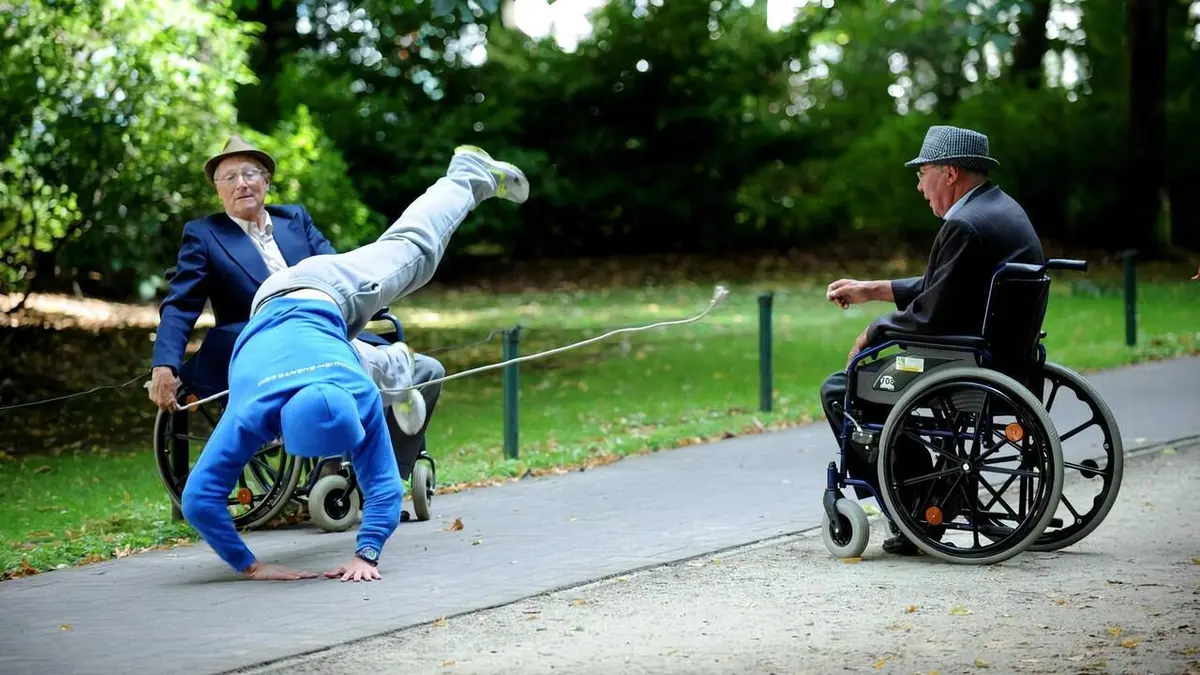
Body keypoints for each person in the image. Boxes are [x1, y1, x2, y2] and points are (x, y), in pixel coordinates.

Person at [180, 145, 528, 582]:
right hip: (298, 298)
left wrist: (366, 555)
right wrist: (251, 566)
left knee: (411, 259)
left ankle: (393, 365)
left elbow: (381, 486)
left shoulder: (357, 393)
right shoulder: (255, 408)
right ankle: (397, 365)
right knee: (408, 267)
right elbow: (198, 500)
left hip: (321, 309)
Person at [149, 134, 443, 476]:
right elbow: (181, 303)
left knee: (427, 371)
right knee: (336, 377)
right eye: (229, 177)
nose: (241, 184)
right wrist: (164, 365)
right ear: (218, 188)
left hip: (331, 331)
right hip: (266, 347)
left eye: (250, 174)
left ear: (266, 181)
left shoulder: (294, 220)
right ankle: (332, 476)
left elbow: (339, 269)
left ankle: (382, 480)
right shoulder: (205, 235)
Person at [819, 125, 1045, 555]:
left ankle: (918, 510)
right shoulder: (1000, 210)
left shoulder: (964, 225)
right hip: (1006, 359)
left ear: (949, 173)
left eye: (922, 174)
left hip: (965, 363)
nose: (920, 187)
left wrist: (872, 332)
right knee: (872, 380)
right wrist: (872, 288)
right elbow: (947, 284)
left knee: (841, 388)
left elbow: (929, 315)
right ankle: (939, 492)